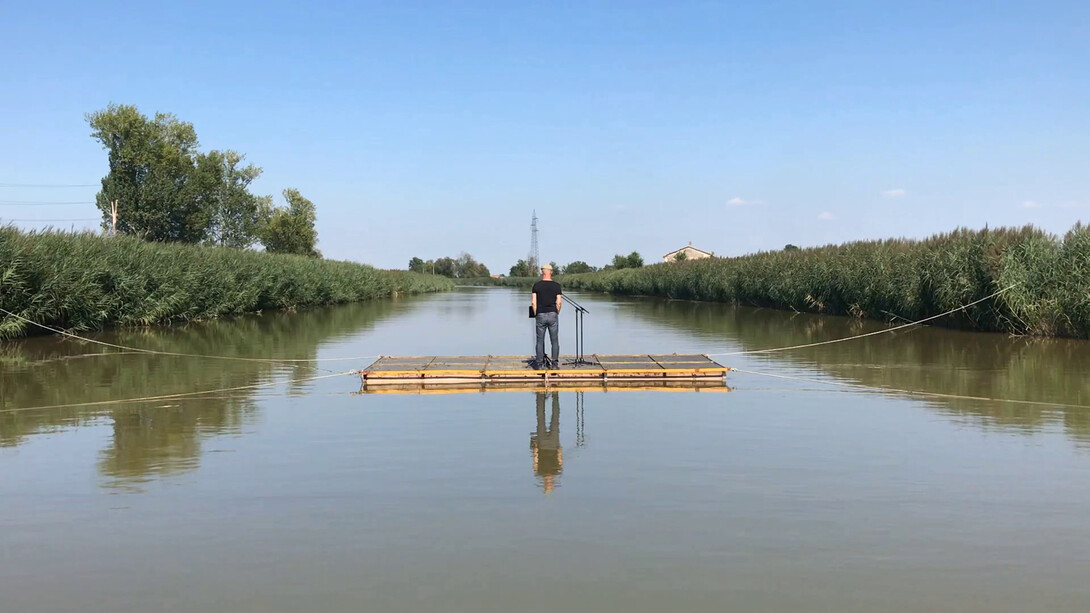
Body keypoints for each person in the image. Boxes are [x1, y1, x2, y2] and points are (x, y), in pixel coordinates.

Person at [530, 263, 562, 369]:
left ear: (542, 272)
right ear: (551, 272)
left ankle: (539, 364)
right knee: (554, 340)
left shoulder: (537, 285)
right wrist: (556, 312)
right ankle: (555, 364)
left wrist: (536, 314)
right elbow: (559, 302)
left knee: (540, 340)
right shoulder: (557, 286)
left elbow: (533, 303)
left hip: (540, 314)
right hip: (553, 314)